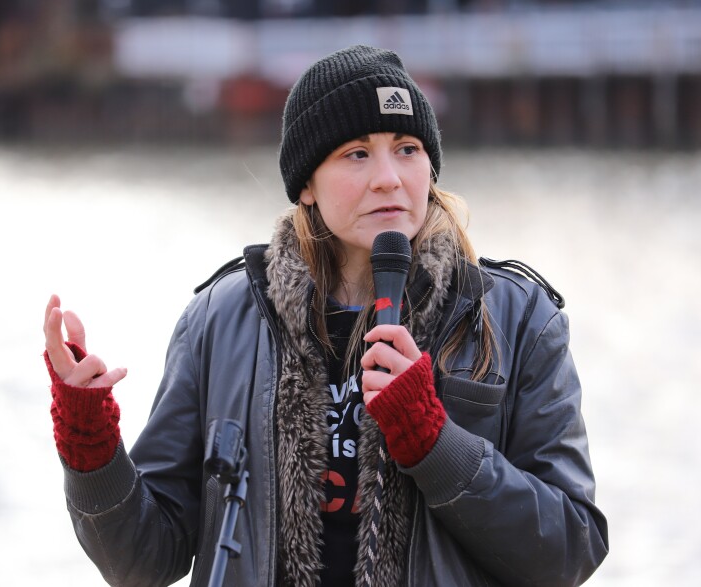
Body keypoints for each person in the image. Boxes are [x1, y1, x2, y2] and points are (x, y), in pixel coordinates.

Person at [42, 45, 608, 586]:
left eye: (407, 148)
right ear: (307, 184)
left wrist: (435, 445)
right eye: (357, 153)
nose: (388, 176)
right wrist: (91, 443)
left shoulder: (516, 318)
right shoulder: (221, 321)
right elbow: (143, 563)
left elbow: (567, 552)